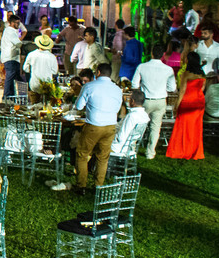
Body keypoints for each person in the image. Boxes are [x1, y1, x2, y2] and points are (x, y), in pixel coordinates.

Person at [72, 62, 124, 194]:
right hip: (110, 126)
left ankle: (81, 185)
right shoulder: (117, 89)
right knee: (103, 157)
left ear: (98, 72)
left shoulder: (89, 86)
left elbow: (78, 106)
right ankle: (98, 186)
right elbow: (118, 108)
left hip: (93, 125)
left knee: (82, 154)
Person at [132, 43, 178, 159]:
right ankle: (150, 152)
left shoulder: (142, 67)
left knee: (139, 124)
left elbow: (134, 84)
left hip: (145, 100)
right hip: (161, 100)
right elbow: (172, 88)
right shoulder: (168, 69)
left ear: (151, 53)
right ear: (162, 55)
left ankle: (132, 148)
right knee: (155, 127)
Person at [166, 51, 206, 160]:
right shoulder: (202, 75)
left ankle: (182, 149)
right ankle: (194, 150)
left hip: (188, 101)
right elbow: (202, 89)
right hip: (199, 101)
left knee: (183, 125)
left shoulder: (186, 74)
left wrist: (176, 105)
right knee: (196, 127)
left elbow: (182, 91)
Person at [109, 89, 151, 158]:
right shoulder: (145, 115)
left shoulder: (131, 116)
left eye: (129, 99)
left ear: (133, 101)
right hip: (130, 146)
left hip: (120, 148)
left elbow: (122, 137)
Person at [23, 32, 59, 100]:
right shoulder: (52, 57)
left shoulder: (31, 54)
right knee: (46, 105)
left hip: (34, 83)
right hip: (47, 84)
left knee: (34, 105)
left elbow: (25, 68)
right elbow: (54, 71)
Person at [0, 15, 24, 99]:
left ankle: (12, 97)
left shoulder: (8, 30)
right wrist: (22, 44)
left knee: (14, 79)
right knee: (10, 78)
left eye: (19, 23)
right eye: (17, 23)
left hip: (10, 58)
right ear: (12, 23)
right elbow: (17, 43)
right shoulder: (11, 31)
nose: (18, 25)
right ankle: (6, 97)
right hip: (11, 58)